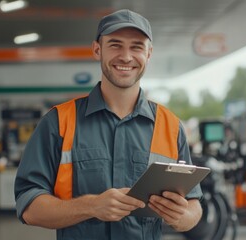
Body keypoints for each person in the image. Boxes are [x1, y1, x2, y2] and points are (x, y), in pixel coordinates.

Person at [14, 9, 203, 240]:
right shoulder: (58, 122)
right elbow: (28, 205)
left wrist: (182, 216)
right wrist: (91, 206)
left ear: (149, 53)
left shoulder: (170, 126)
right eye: (115, 44)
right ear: (97, 49)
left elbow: (194, 206)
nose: (126, 56)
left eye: (136, 46)